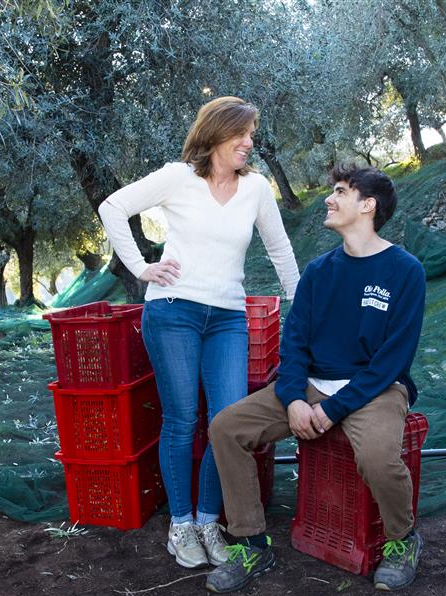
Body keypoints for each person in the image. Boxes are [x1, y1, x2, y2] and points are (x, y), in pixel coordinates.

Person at [98, 97, 300, 569]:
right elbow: (113, 207)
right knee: (182, 418)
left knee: (225, 422)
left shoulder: (257, 190)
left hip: (228, 318)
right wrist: (141, 267)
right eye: (242, 134)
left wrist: (306, 311)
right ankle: (181, 526)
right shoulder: (178, 177)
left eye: (252, 134)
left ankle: (209, 522)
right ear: (216, 134)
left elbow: (281, 251)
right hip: (173, 311)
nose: (249, 143)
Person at [205, 165, 426, 593]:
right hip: (311, 385)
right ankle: (252, 543)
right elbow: (294, 347)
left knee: (378, 459)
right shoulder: (319, 272)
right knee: (226, 428)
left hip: (375, 389)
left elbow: (391, 361)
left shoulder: (405, 271)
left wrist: (333, 409)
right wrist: (293, 400)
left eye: (341, 192)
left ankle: (404, 539)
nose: (329, 199)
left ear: (368, 206)